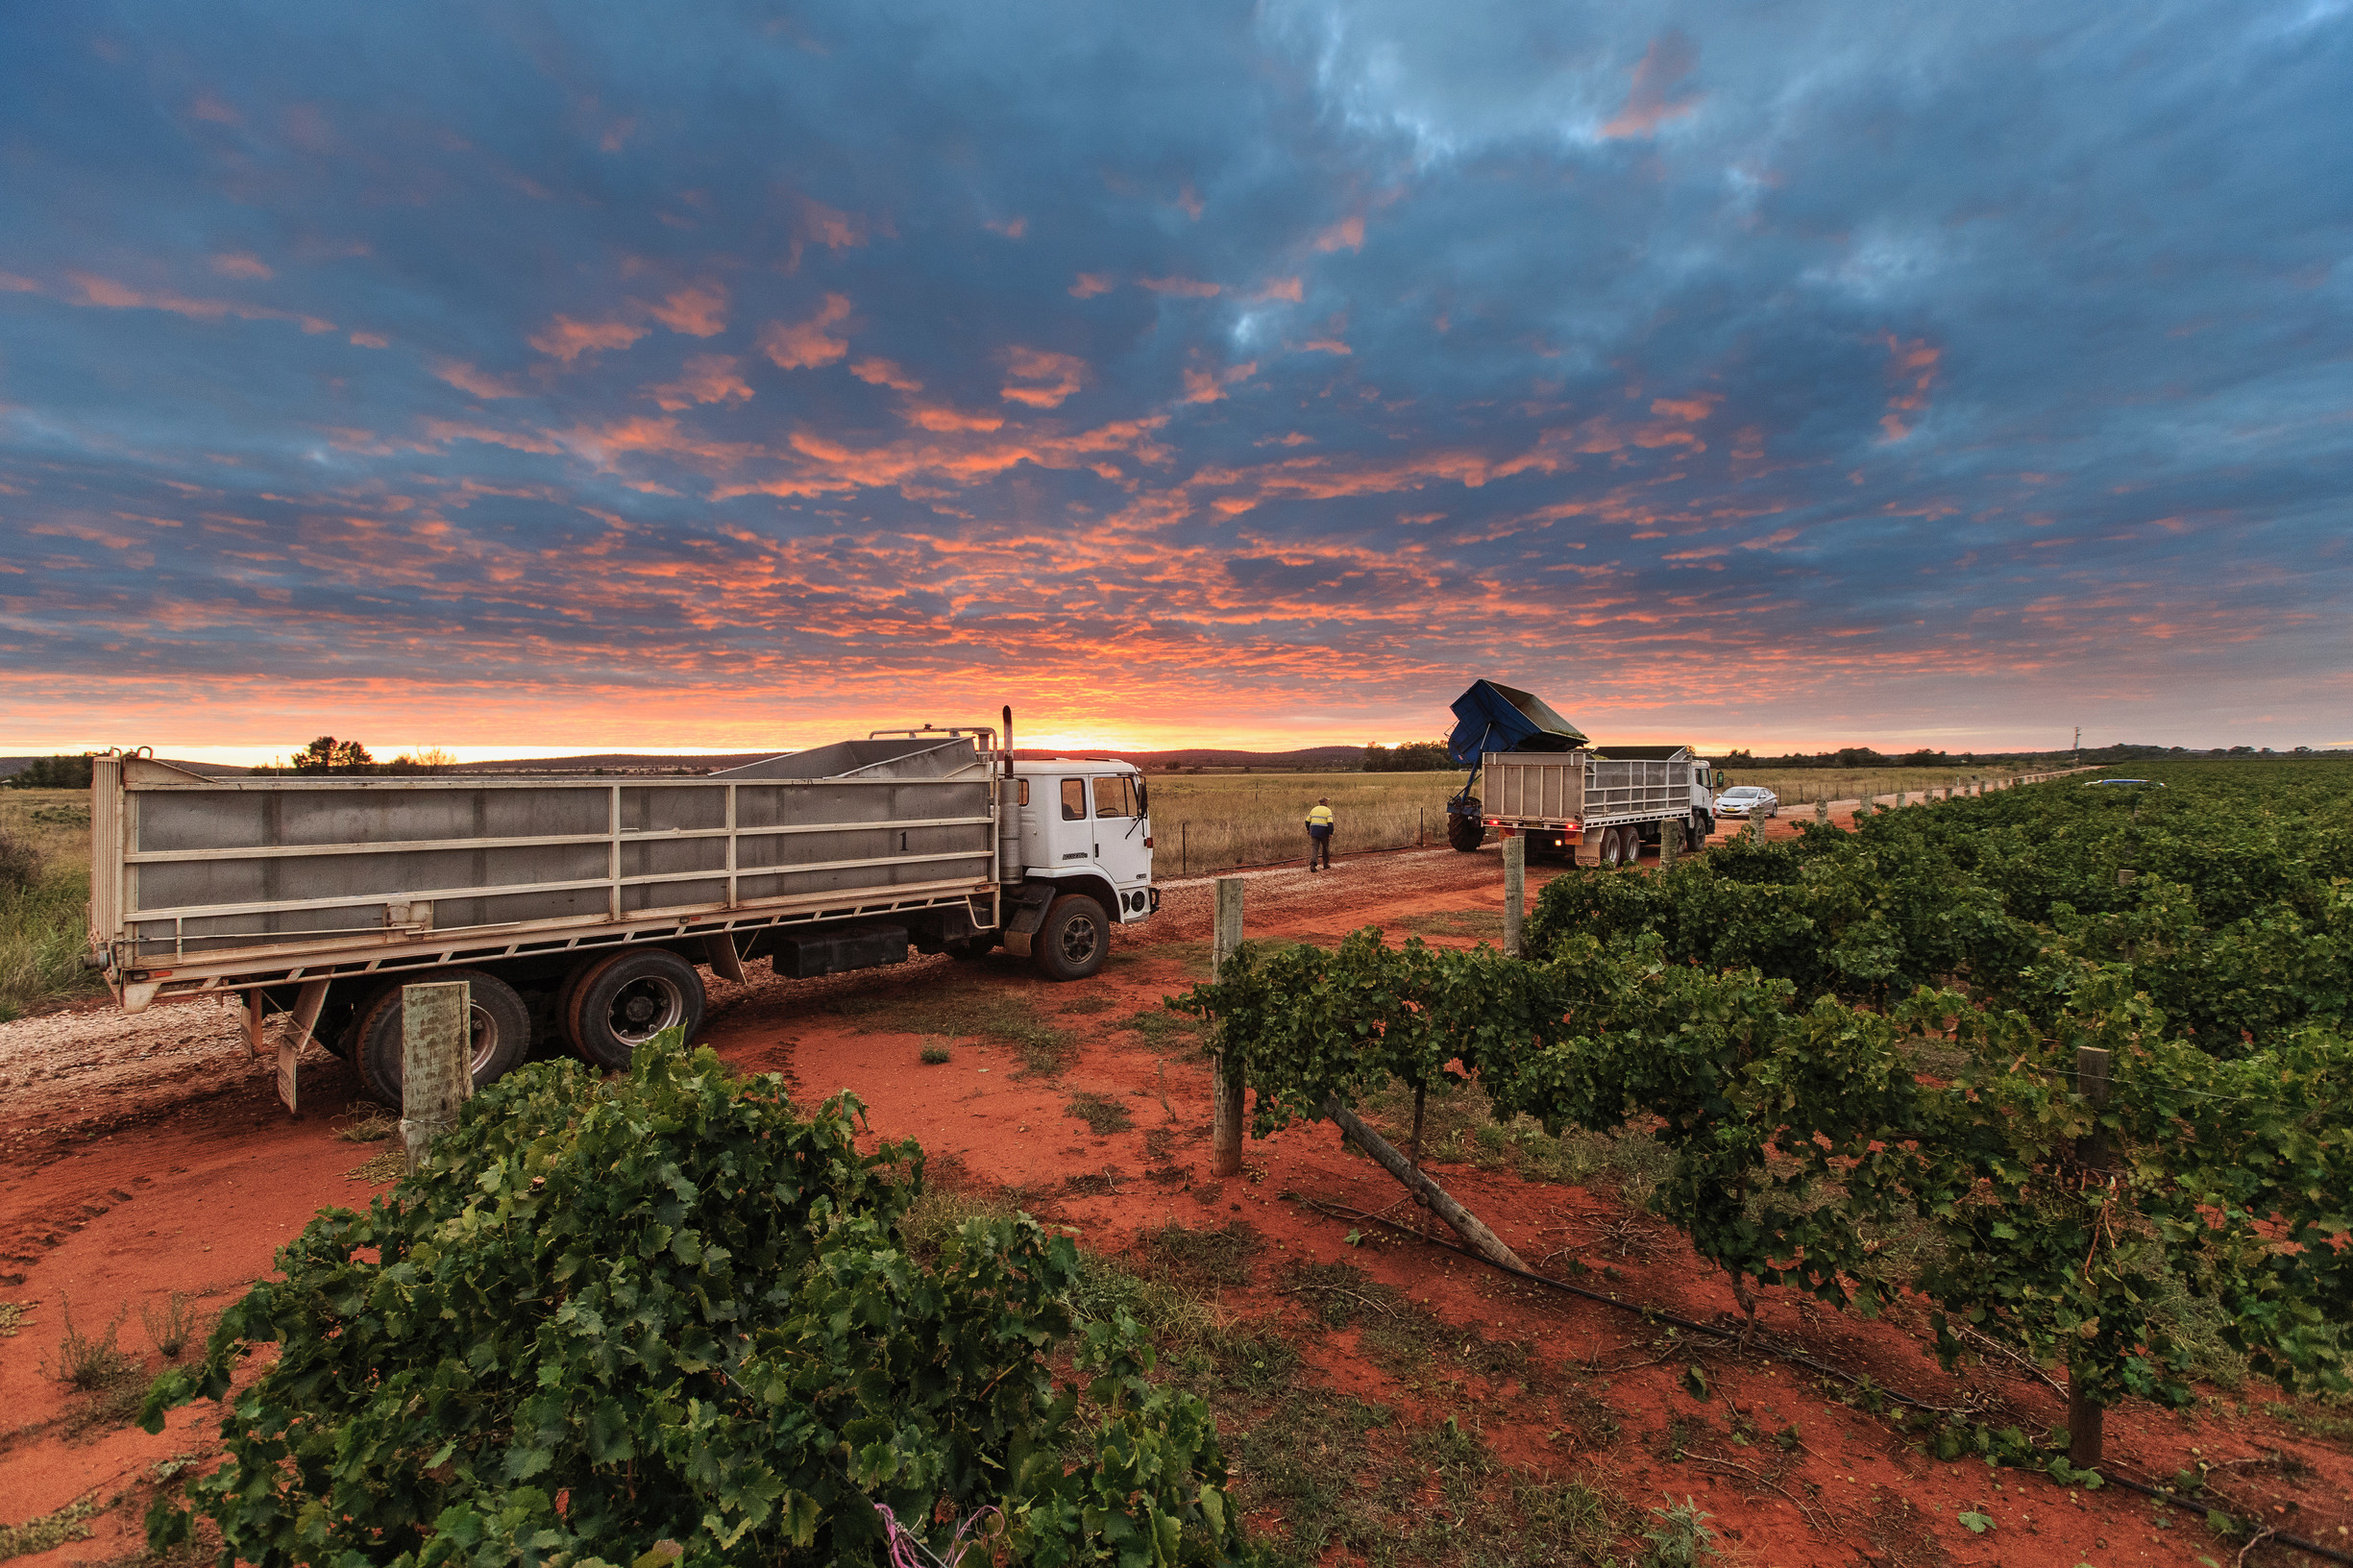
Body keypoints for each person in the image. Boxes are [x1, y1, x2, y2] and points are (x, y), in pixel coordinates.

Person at [1305, 796, 1335, 871]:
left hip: (1314, 830)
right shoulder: (1328, 810)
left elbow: (1307, 821)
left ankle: (1312, 864)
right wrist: (1330, 833)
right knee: (1325, 847)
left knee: (1314, 848)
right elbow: (1330, 823)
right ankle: (1325, 864)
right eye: (1327, 801)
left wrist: (1308, 829)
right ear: (1325, 802)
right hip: (1324, 831)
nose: (1328, 802)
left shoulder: (1314, 809)